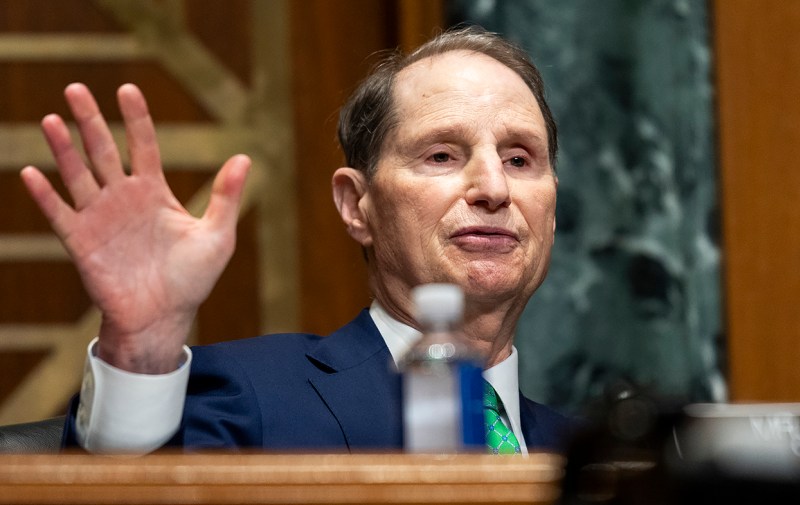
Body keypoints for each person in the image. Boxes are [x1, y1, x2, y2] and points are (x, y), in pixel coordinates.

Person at [20, 26, 571, 454]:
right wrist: (140, 353)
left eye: (519, 158)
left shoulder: (605, 458)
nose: (494, 188)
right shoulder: (252, 399)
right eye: (442, 155)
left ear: (551, 207)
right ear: (358, 206)